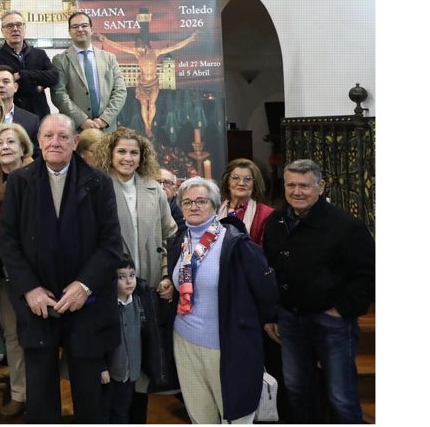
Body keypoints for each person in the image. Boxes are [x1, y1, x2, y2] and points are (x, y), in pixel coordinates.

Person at [0, 113, 123, 423]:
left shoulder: (99, 183)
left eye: (63, 136)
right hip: (38, 305)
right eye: (49, 136)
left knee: (90, 398)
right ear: (38, 141)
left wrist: (84, 286)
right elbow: (8, 242)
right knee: (39, 396)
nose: (55, 142)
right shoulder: (19, 182)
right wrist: (30, 289)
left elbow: (111, 244)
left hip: (87, 304)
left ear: (75, 141)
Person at [262, 159, 375, 424]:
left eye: (304, 185)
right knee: (298, 390)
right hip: (289, 320)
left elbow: (369, 274)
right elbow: (268, 270)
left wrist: (341, 310)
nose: (296, 191)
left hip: (332, 322)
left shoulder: (347, 225)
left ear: (320, 186)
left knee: (341, 397)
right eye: (291, 185)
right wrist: (272, 313)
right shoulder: (276, 220)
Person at [170, 177, 278, 423]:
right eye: (187, 202)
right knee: (200, 416)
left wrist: (248, 325)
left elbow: (266, 291)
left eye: (201, 201)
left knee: (237, 417)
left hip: (227, 345)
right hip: (185, 342)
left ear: (215, 205)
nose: (193, 206)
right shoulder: (180, 242)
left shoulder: (235, 243)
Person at [92, 127, 179, 418]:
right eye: (121, 151)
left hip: (150, 287)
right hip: (112, 290)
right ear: (110, 153)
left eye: (133, 152)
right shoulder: (98, 187)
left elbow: (170, 237)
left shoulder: (155, 190)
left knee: (142, 366)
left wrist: (167, 275)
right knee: (116, 366)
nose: (128, 158)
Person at [0, 122, 34, 420]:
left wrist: (9, 233)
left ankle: (40, 393)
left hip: (35, 271)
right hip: (3, 269)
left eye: (11, 142)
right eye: (0, 143)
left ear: (23, 147)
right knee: (12, 334)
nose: (5, 147)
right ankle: (19, 393)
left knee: (38, 335)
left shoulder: (37, 177)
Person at [97, 30, 200, 137]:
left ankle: (149, 125)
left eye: (138, 44)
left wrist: (190, 39)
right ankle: (147, 126)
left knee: (151, 104)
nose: (137, 46)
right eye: (136, 45)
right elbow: (120, 47)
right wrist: (105, 40)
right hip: (143, 84)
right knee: (144, 104)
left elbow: (175, 47)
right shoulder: (137, 53)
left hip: (153, 83)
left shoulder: (155, 52)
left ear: (145, 44)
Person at [50, 12, 127, 133]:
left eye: (84, 25)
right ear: (69, 31)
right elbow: (59, 94)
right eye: (75, 27)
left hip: (106, 128)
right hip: (76, 130)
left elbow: (120, 91)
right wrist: (82, 120)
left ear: (91, 30)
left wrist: (104, 119)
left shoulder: (109, 58)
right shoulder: (60, 60)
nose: (80, 29)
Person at [0, 10, 59, 118]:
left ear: (24, 28)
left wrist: (22, 75)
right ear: (2, 31)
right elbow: (1, 87)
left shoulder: (39, 54)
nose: (15, 29)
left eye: (19, 25)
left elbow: (54, 76)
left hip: (39, 114)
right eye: (9, 26)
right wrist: (36, 87)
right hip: (9, 114)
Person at [100, 258, 142, 424]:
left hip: (129, 374)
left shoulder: (138, 303)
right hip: (110, 374)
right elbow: (99, 340)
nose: (129, 281)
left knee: (122, 411)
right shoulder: (106, 308)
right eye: (121, 277)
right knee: (105, 412)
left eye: (132, 275)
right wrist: (102, 368)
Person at [216, 158, 274, 245]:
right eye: (235, 178)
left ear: (255, 184)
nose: (241, 183)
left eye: (248, 179)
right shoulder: (215, 209)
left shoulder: (267, 214)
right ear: (227, 182)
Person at [0, 64, 40, 157]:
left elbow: (35, 154)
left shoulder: (31, 120)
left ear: (15, 87)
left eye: (6, 81)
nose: (1, 85)